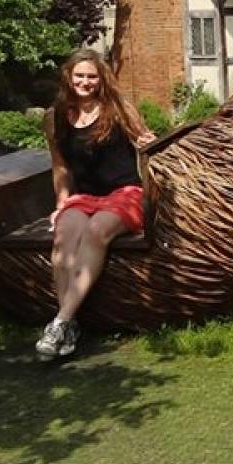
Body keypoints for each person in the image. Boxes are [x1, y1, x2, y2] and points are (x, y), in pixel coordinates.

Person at [36, 48, 155, 360]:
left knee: (95, 231)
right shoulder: (57, 116)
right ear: (68, 77)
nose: (85, 82)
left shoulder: (119, 109)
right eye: (79, 76)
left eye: (91, 76)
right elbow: (60, 167)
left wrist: (147, 144)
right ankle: (69, 324)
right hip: (85, 197)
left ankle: (60, 321)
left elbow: (149, 144)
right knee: (63, 235)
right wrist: (61, 204)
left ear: (101, 79)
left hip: (126, 193)